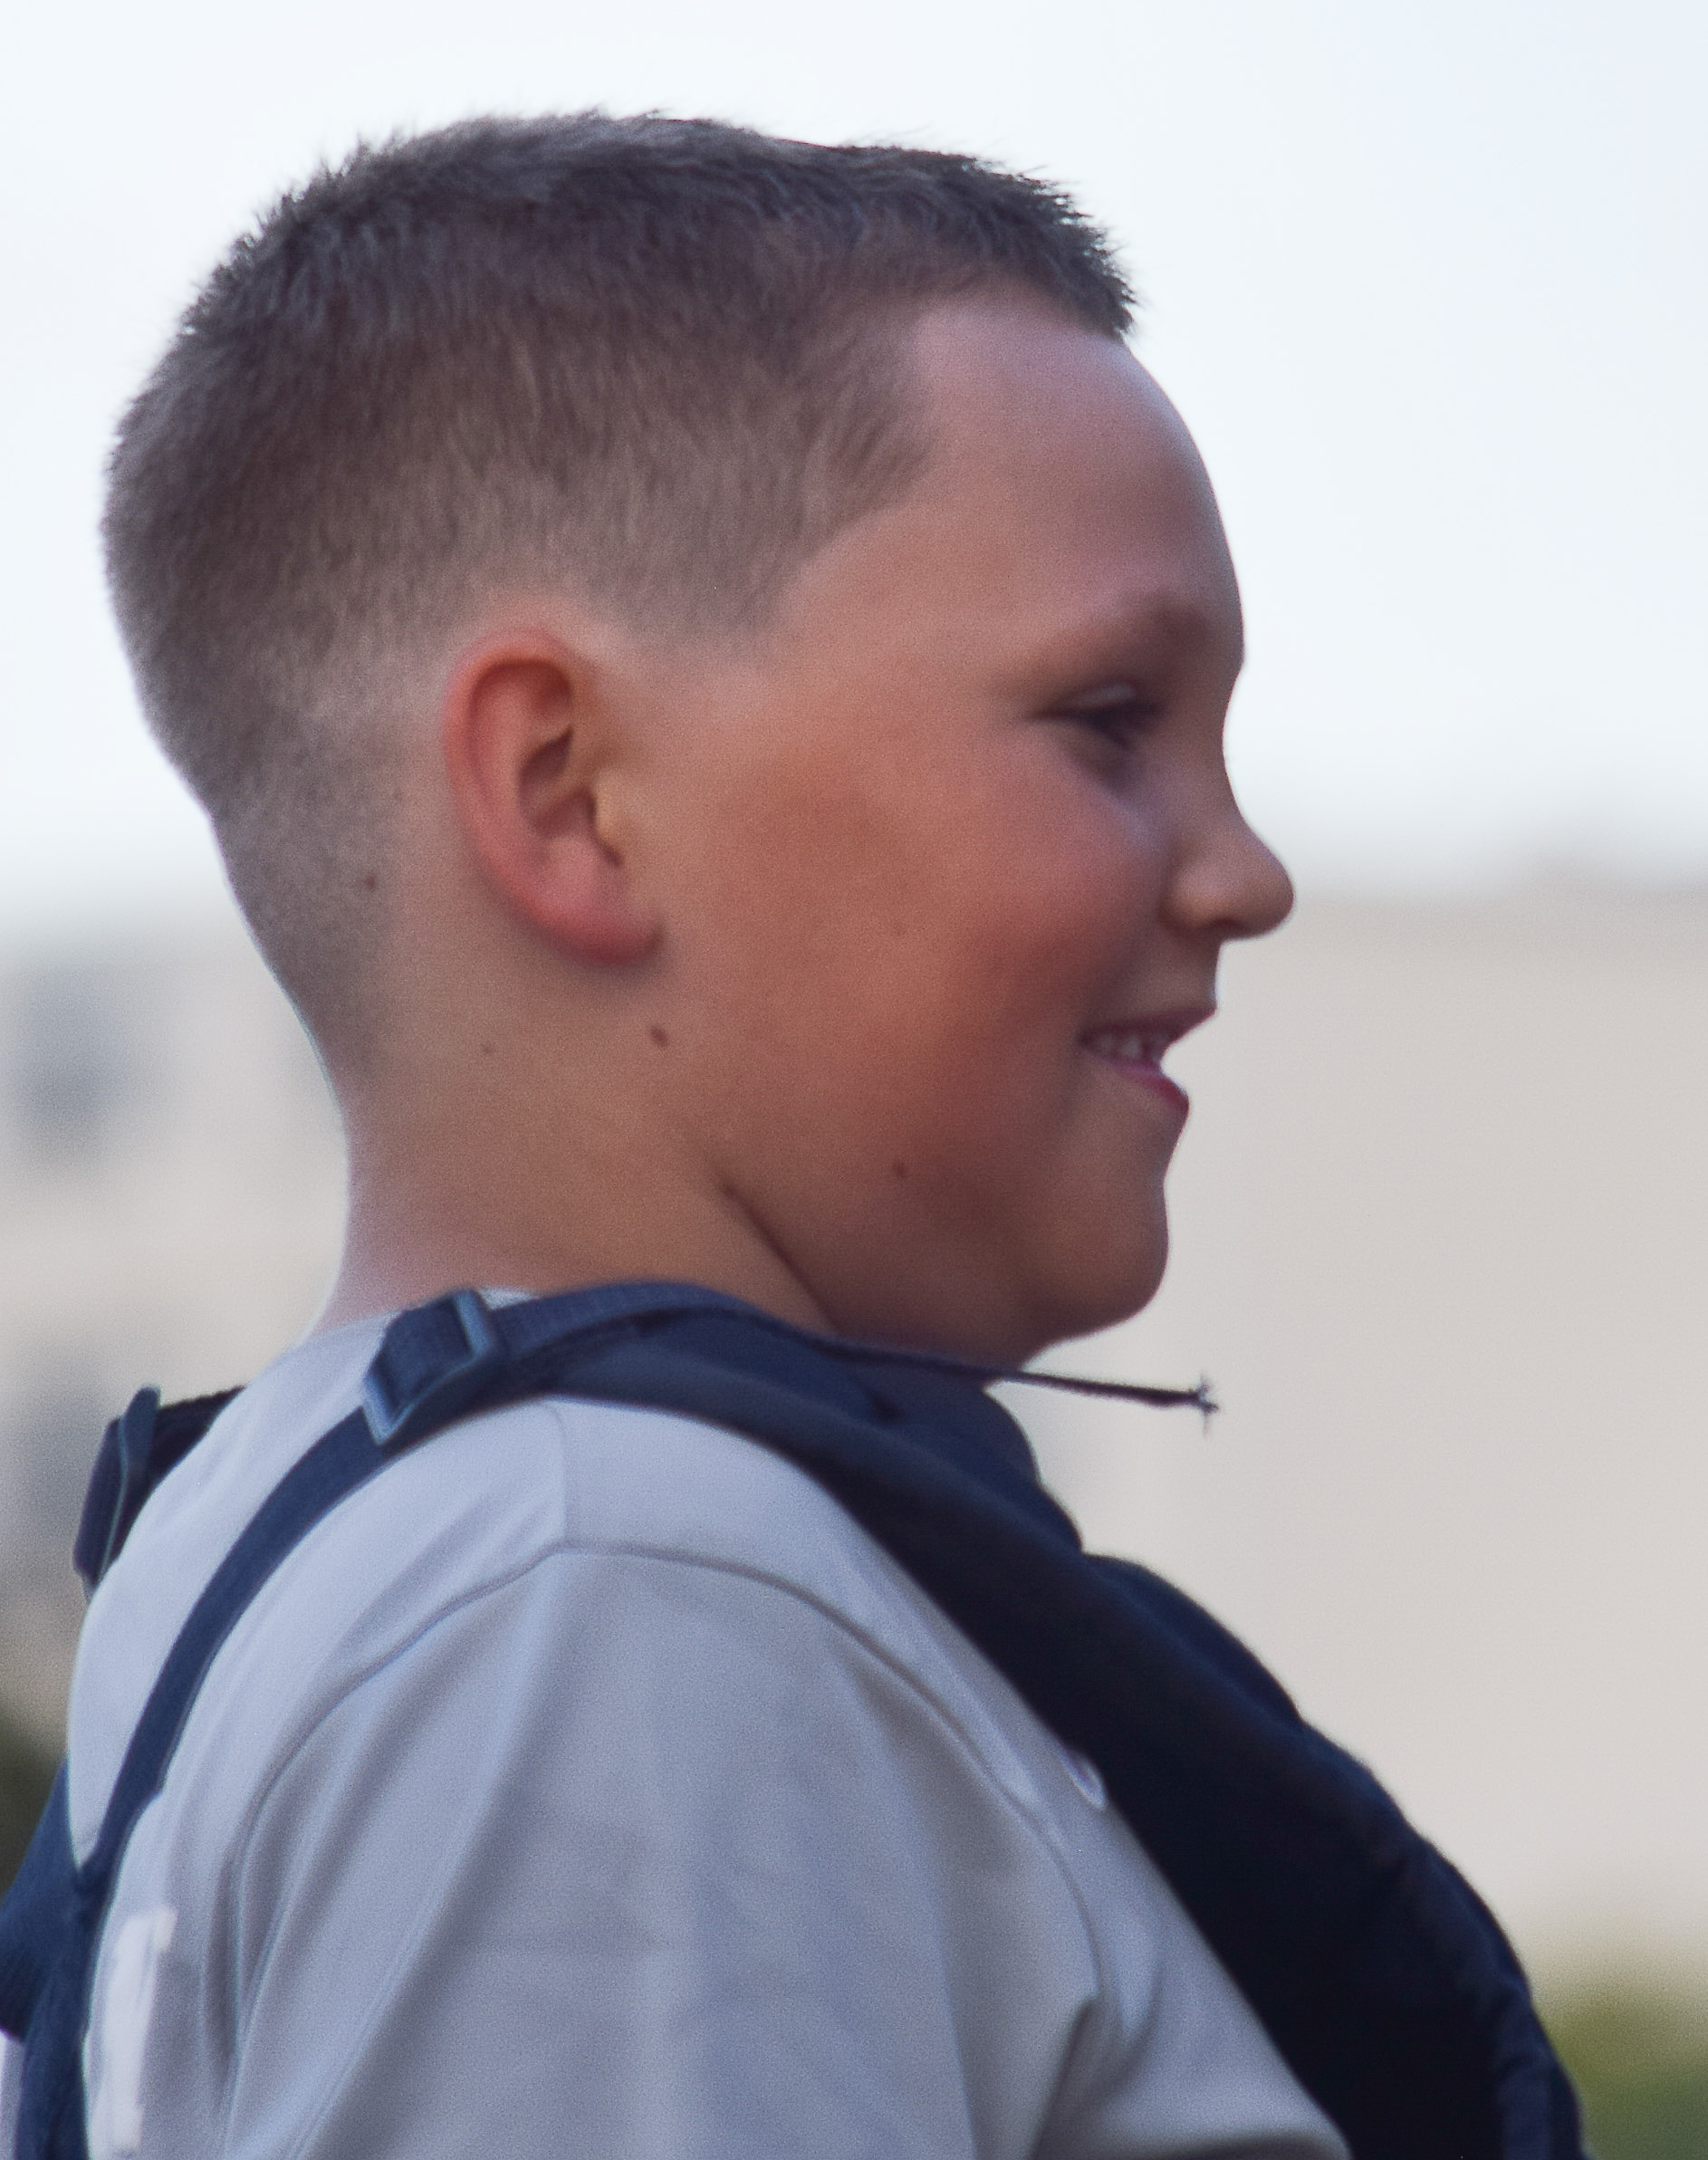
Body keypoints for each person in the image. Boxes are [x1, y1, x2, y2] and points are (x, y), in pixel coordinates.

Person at [0, 117, 1580, 2160]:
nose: (1241, 872)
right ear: (568, 791)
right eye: (1106, 719)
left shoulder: (281, 1544)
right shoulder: (610, 1596)